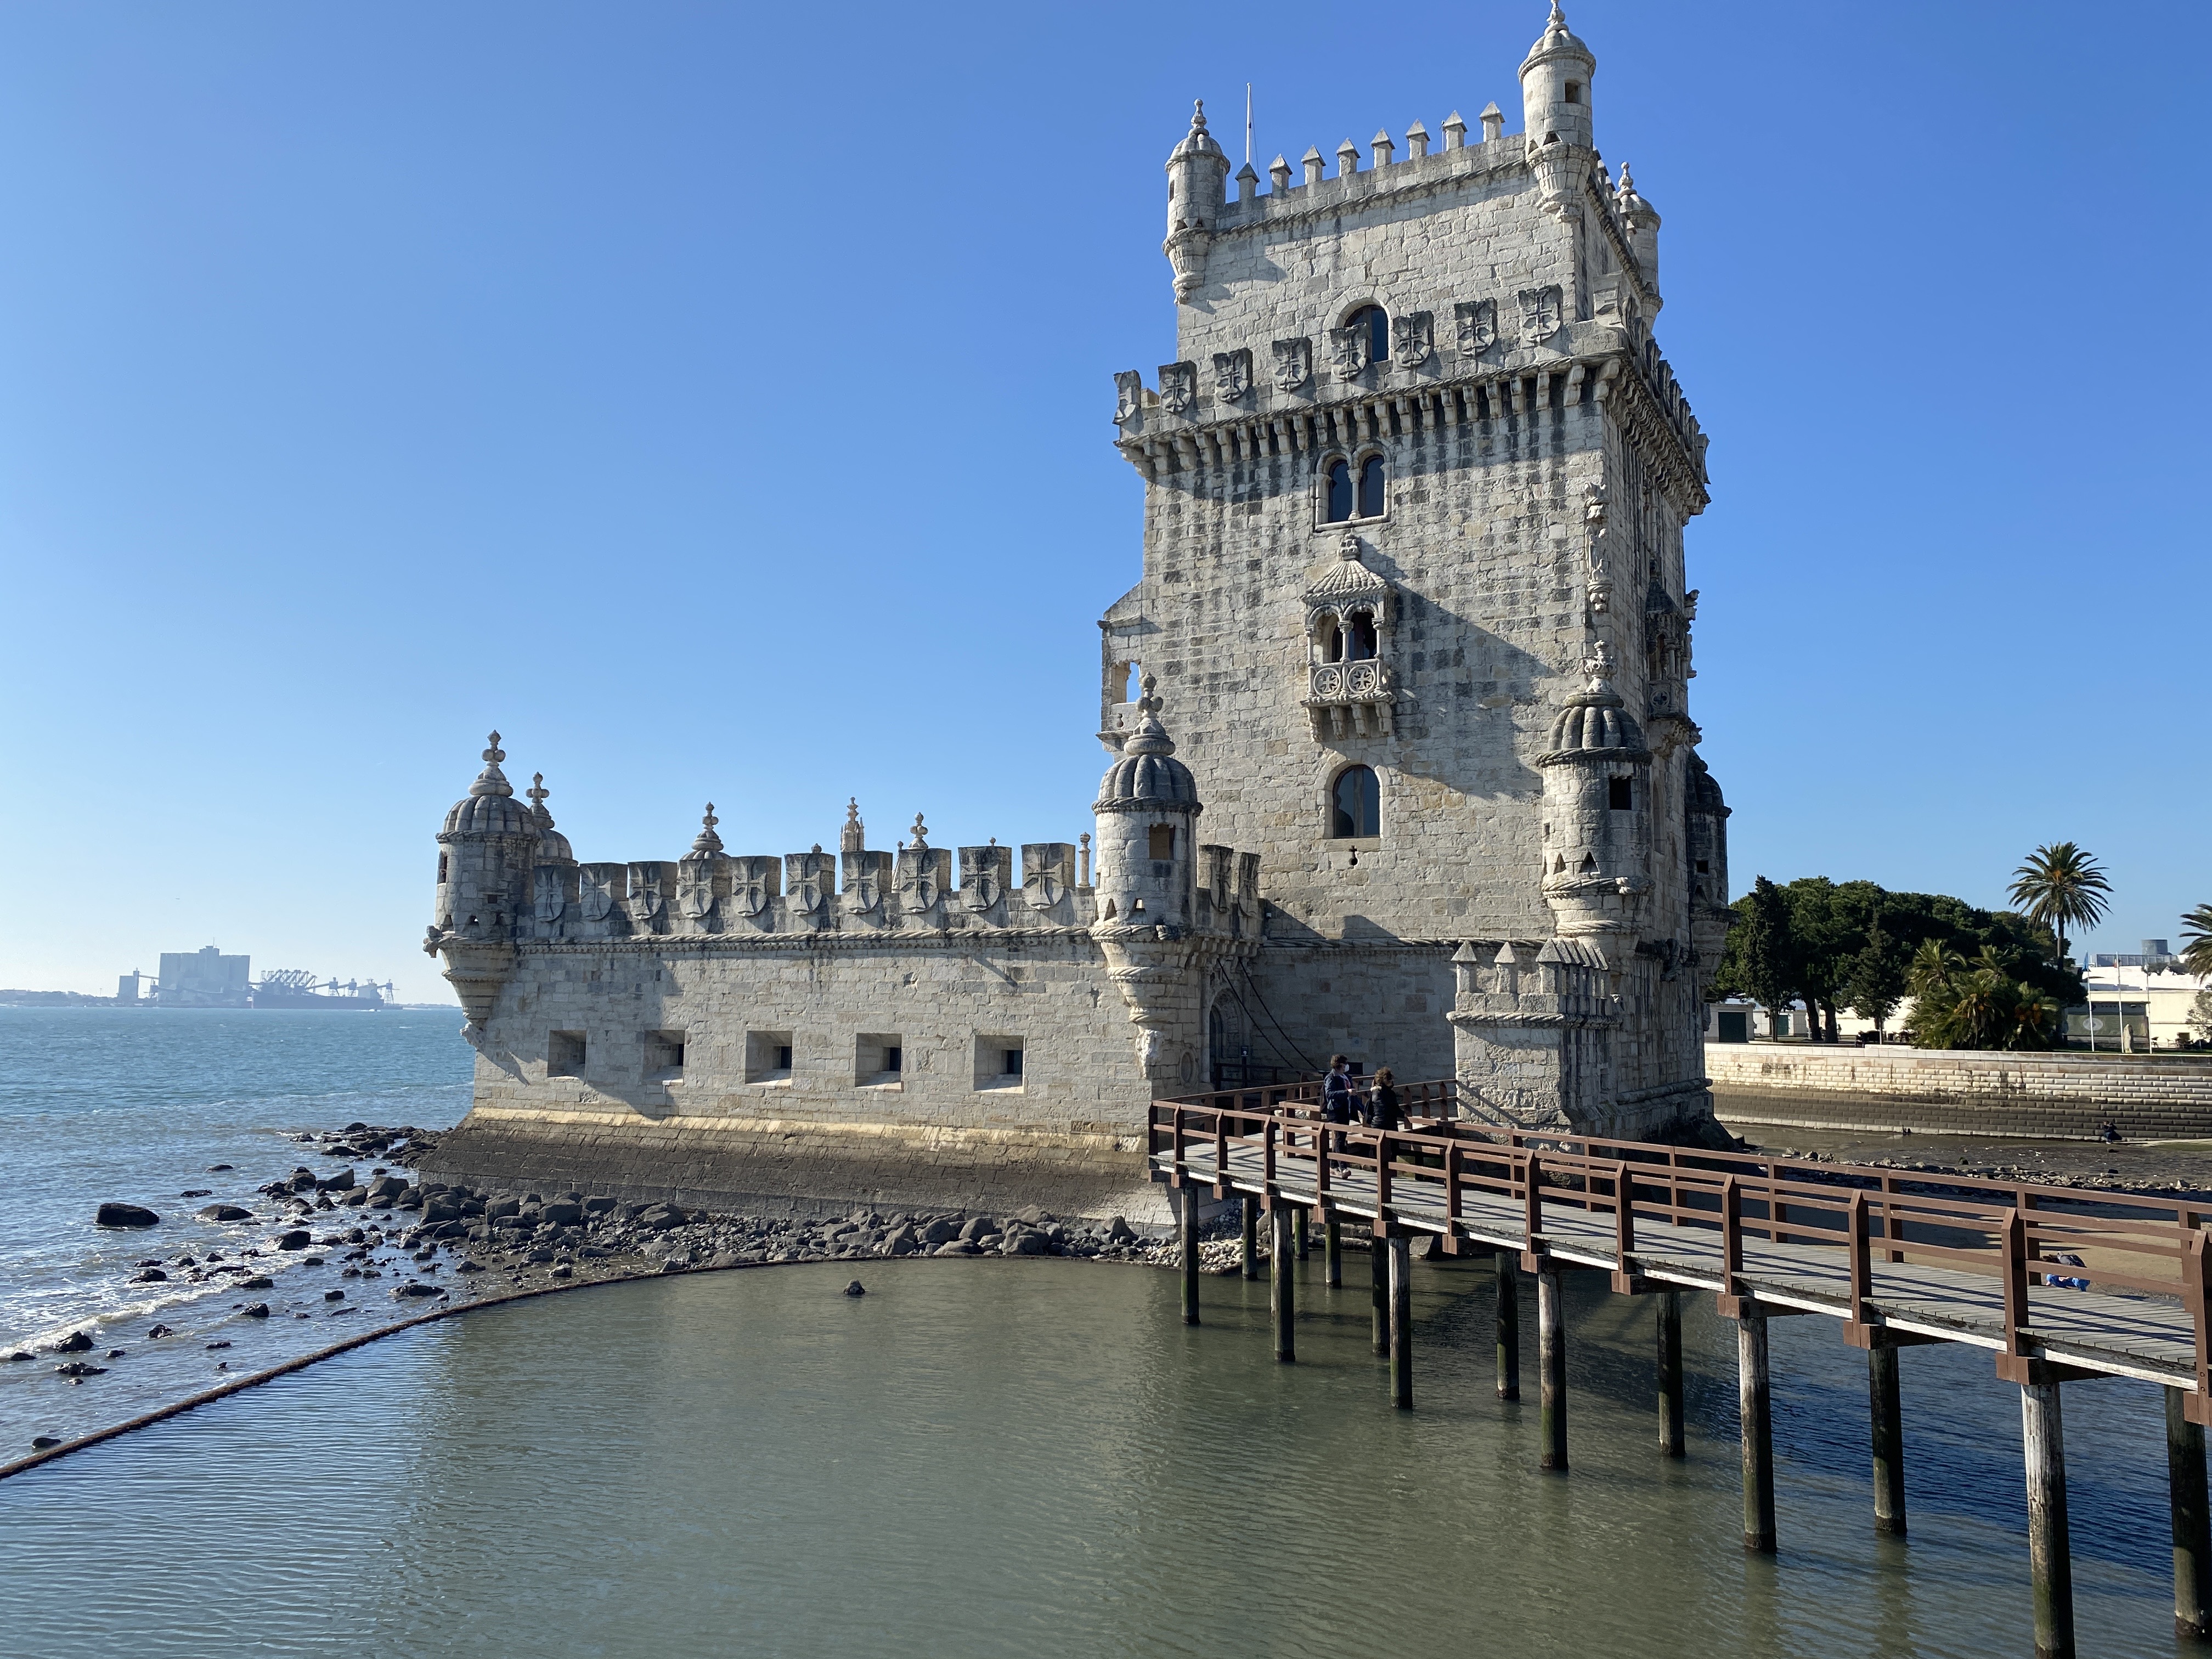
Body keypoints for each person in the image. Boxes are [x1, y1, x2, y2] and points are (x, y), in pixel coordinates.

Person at [1321, 1054, 1356, 1155]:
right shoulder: (1331, 1078)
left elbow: (1352, 1096)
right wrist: (1346, 1092)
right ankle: (1343, 1167)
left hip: (1346, 1110)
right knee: (1339, 1140)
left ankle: (1334, 1166)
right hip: (1336, 1111)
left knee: (1342, 1139)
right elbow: (1329, 1094)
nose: (1346, 1066)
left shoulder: (1346, 1077)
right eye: (1344, 1064)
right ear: (1339, 1065)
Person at [1367, 1066, 1403, 1133]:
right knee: (1393, 1142)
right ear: (1388, 1081)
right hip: (1388, 1125)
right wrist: (1404, 1115)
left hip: (1376, 1124)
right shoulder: (1390, 1093)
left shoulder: (1375, 1093)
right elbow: (1395, 1109)